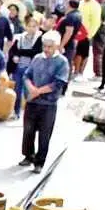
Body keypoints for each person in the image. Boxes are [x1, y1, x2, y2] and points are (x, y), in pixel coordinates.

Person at [20, 30, 70, 173]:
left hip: (48, 103)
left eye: (50, 46)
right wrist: (31, 88)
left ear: (56, 46)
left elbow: (59, 83)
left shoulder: (62, 62)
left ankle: (39, 162)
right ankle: (28, 155)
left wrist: (38, 91)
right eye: (45, 46)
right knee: (28, 130)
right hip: (32, 101)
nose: (47, 49)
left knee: (44, 133)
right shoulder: (37, 58)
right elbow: (27, 75)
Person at [9, 12, 44, 118]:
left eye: (34, 26)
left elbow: (35, 52)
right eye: (29, 26)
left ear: (38, 27)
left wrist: (20, 52)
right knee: (17, 90)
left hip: (31, 69)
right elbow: (13, 50)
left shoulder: (40, 38)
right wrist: (15, 55)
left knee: (28, 91)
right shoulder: (20, 37)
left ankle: (30, 113)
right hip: (19, 67)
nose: (31, 28)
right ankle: (16, 112)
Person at [57, 0, 87, 80]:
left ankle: (63, 83)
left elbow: (68, 32)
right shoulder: (78, 14)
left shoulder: (71, 16)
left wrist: (61, 45)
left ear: (69, 5)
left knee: (64, 63)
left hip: (67, 44)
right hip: (71, 42)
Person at [79, 0, 102, 79]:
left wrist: (90, 35)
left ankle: (81, 72)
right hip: (77, 32)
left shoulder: (96, 5)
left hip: (87, 33)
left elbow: (96, 22)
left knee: (84, 54)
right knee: (77, 53)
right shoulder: (81, 3)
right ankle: (76, 71)